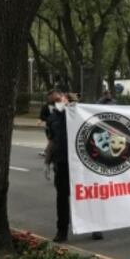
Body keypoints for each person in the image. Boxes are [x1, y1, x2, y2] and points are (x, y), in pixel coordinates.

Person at [46, 91, 103, 242]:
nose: (56, 103)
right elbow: (51, 141)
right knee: (62, 198)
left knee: (88, 195)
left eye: (59, 99)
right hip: (62, 163)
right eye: (53, 102)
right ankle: (62, 230)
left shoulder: (81, 114)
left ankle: (95, 226)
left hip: (82, 163)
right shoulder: (52, 119)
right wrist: (47, 162)